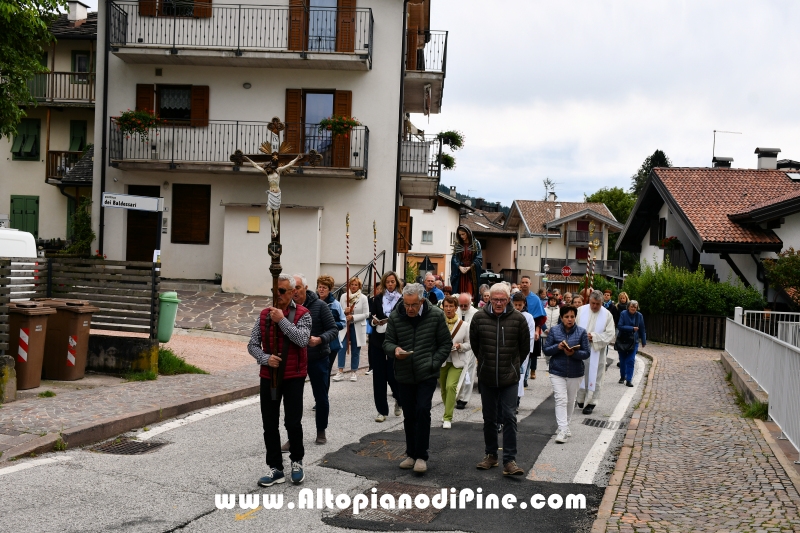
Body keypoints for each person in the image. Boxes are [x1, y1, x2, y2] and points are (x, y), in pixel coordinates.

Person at [248, 274, 312, 487]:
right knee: (269, 423)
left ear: (293, 292)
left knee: (292, 422)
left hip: (293, 375)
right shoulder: (264, 314)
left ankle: (297, 461)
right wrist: (265, 358)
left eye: (282, 291)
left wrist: (282, 321)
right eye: (275, 291)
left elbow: (302, 340)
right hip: (269, 376)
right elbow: (252, 344)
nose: (278, 295)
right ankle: (276, 468)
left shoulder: (303, 314)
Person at [384, 283, 452, 474]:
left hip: (426, 373)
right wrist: (395, 350)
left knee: (422, 410)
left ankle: (421, 456)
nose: (410, 309)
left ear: (422, 301)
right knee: (409, 415)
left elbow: (445, 344)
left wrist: (433, 362)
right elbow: (387, 342)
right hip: (404, 373)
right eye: (407, 304)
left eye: (414, 305)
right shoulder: (397, 316)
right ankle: (411, 454)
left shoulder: (436, 315)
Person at [470, 283, 530, 476]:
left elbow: (524, 347)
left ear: (508, 300)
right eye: (494, 299)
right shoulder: (479, 317)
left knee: (509, 417)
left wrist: (513, 365)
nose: (498, 303)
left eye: (502, 300)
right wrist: (485, 361)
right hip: (487, 376)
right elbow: (475, 344)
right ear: (489, 299)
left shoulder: (518, 319)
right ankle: (491, 455)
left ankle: (510, 460)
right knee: (489, 419)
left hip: (509, 377)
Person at [284, 274, 337, 448]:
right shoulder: (288, 307)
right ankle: (293, 437)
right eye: (292, 289)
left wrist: (320, 339)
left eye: (298, 288)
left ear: (305, 288)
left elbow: (333, 329)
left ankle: (321, 430)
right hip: (296, 360)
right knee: (293, 399)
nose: (294, 292)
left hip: (317, 358)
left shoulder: (320, 306)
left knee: (321, 397)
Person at [542, 304, 590, 444]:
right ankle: (562, 429)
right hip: (557, 370)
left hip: (575, 372)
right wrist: (558, 347)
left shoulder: (581, 332)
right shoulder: (554, 331)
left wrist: (573, 353)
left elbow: (586, 353)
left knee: (570, 400)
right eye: (567, 317)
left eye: (572, 317)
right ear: (561, 318)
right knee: (561, 399)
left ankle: (566, 425)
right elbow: (546, 350)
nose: (570, 319)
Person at [369, 271, 403, 422]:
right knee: (379, 376)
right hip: (378, 339)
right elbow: (372, 315)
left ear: (396, 283)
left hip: (394, 339)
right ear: (384, 283)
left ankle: (399, 399)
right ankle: (381, 411)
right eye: (388, 282)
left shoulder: (402, 300)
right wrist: (375, 321)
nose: (390, 284)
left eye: (392, 282)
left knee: (392, 374)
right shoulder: (377, 298)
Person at [575, 290, 616, 415]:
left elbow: (610, 334)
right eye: (592, 303)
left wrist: (593, 337)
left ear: (602, 303)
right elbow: (573, 327)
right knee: (580, 374)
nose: (594, 306)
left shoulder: (607, 315)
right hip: (581, 349)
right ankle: (581, 398)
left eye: (597, 304)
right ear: (589, 301)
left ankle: (592, 402)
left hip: (597, 351)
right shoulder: (581, 311)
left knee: (596, 375)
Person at [439, 295, 471, 428]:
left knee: (450, 386)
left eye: (451, 306)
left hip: (457, 361)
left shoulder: (464, 325)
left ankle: (448, 417)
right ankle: (447, 410)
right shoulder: (439, 323)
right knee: (443, 390)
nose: (448, 309)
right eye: (446, 306)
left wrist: (460, 346)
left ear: (456, 308)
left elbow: (470, 344)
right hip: (442, 360)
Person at [333, 277, 369, 382]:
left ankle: (354, 371)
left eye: (355, 285)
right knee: (341, 347)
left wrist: (353, 317)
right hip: (345, 326)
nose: (353, 286)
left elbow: (366, 314)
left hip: (357, 325)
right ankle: (340, 371)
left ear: (359, 286)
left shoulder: (363, 298)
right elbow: (339, 312)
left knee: (355, 349)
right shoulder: (344, 296)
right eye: (352, 284)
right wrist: (345, 311)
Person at [316, 275, 346, 385]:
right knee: (317, 372)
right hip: (316, 342)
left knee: (326, 371)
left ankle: (324, 398)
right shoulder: (313, 302)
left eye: (324, 287)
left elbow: (343, 322)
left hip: (331, 344)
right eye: (319, 287)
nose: (321, 289)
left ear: (329, 289)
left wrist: (330, 325)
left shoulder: (335, 305)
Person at [518, 275, 546, 380]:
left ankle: (531, 371)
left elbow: (540, 318)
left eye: (526, 282)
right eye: (523, 282)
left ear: (530, 284)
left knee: (532, 353)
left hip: (532, 328)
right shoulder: (515, 297)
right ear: (520, 284)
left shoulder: (536, 299)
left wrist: (537, 331)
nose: (524, 284)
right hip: (518, 328)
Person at [511, 292, 536, 409]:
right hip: (509, 350)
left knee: (520, 376)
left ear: (524, 304)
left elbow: (530, 336)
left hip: (522, 351)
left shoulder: (528, 317)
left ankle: (516, 400)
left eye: (519, 305)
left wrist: (524, 350)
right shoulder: (509, 315)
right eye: (515, 304)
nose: (517, 307)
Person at [455, 292, 478, 409]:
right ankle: (457, 396)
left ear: (470, 303)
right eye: (461, 305)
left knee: (468, 373)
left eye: (466, 305)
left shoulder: (476, 314)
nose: (463, 308)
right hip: (457, 346)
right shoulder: (456, 312)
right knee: (457, 372)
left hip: (470, 347)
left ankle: (464, 399)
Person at [450, 225, 483, 304]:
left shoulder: (476, 243)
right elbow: (454, 258)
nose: (461, 236)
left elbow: (479, 258)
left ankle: (470, 305)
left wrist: (470, 267)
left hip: (471, 272)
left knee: (470, 290)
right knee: (459, 290)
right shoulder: (458, 244)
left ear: (468, 233)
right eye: (460, 235)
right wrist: (459, 267)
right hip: (460, 272)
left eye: (463, 234)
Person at [616, 300, 646, 387]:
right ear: (628, 307)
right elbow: (620, 326)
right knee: (623, 360)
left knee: (631, 360)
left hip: (634, 341)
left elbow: (642, 329)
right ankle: (622, 377)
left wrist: (643, 341)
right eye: (632, 306)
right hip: (623, 340)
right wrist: (632, 328)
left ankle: (629, 380)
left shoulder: (639, 316)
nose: (633, 308)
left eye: (635, 307)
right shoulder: (623, 314)